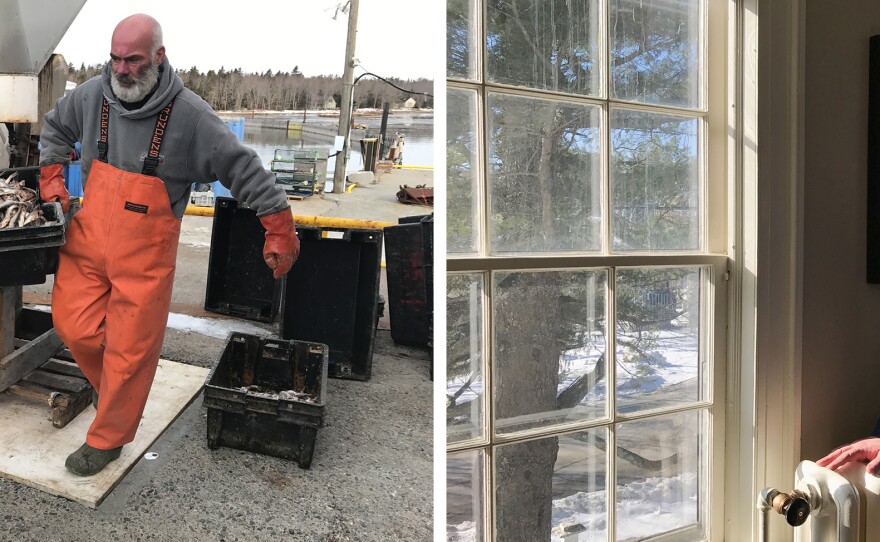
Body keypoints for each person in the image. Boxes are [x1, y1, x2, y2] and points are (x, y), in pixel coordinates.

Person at [38, 14, 300, 476]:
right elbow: (55, 130)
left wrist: (279, 226)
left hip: (145, 256)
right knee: (73, 325)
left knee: (130, 350)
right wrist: (52, 181)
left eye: (133, 59)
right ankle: (113, 391)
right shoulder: (90, 95)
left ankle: (108, 437)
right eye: (115, 58)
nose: (121, 70)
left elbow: (244, 169)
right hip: (86, 239)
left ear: (159, 55)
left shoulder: (192, 116)